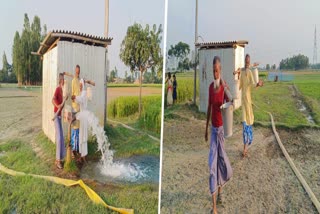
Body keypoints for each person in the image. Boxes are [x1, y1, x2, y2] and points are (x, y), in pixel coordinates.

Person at [205, 56, 233, 214]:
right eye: (213, 71)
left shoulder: (223, 86)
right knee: (212, 166)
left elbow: (231, 102)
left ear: (220, 70)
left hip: (221, 131)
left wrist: (229, 96)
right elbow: (209, 108)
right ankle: (214, 208)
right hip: (213, 131)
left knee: (221, 162)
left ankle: (221, 189)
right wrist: (205, 128)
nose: (215, 73)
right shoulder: (210, 87)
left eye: (217, 70)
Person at [235, 54, 263, 158]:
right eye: (246, 61)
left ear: (249, 61)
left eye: (248, 61)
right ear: (244, 61)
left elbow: (253, 83)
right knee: (244, 125)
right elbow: (240, 82)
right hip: (243, 103)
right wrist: (237, 74)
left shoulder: (250, 72)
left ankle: (246, 146)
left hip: (248, 103)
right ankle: (245, 148)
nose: (247, 62)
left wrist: (258, 84)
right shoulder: (242, 71)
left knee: (248, 123)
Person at [52, 73, 66, 169]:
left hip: (60, 116)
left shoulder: (62, 91)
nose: (64, 81)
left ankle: (60, 158)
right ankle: (57, 161)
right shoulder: (58, 89)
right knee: (59, 137)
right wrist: (58, 107)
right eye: (63, 80)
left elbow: (62, 105)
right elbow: (52, 100)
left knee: (61, 137)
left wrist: (65, 100)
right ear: (61, 80)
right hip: (56, 116)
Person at [72, 79, 88, 162]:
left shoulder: (84, 93)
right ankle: (82, 156)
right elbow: (79, 99)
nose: (81, 87)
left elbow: (80, 99)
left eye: (81, 85)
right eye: (80, 85)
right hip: (82, 117)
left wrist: (75, 97)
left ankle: (83, 156)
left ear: (83, 85)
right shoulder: (82, 93)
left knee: (83, 137)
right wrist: (74, 98)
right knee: (81, 136)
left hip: (84, 118)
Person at [71, 65, 81, 159]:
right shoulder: (73, 81)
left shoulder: (80, 81)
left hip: (79, 108)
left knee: (78, 129)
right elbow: (72, 95)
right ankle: (73, 150)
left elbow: (80, 94)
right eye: (76, 71)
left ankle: (76, 149)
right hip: (74, 108)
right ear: (75, 71)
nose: (77, 72)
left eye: (79, 71)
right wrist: (75, 99)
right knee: (74, 129)